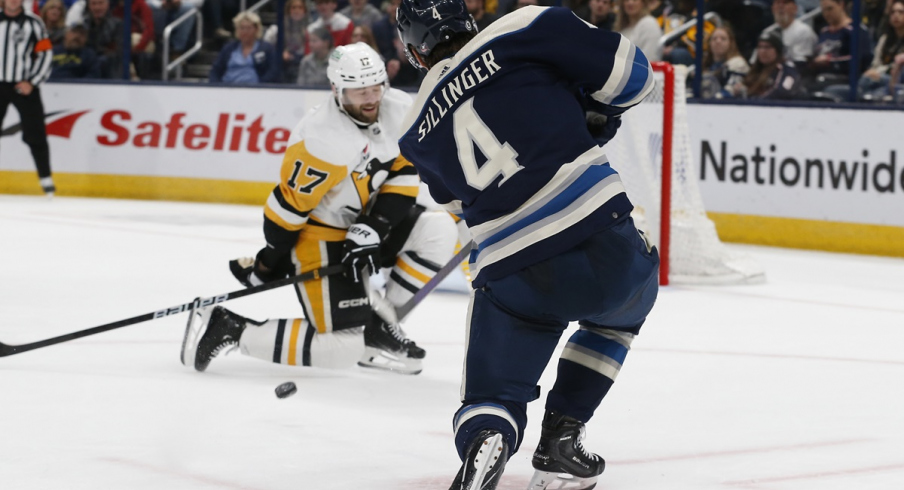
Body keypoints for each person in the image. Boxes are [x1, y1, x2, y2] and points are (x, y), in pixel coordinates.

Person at [396, 2, 660, 489]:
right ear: (469, 19)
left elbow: (457, 204)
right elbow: (636, 79)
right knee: (621, 310)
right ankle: (563, 435)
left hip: (512, 265)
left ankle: (488, 433)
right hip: (604, 239)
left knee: (491, 394)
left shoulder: (414, 131)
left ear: (415, 52)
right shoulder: (525, 25)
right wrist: (591, 111)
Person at [182, 43, 458, 377]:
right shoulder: (321, 139)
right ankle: (231, 328)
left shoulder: (399, 108)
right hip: (320, 236)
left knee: (440, 229)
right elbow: (285, 212)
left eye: (375, 88)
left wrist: (374, 226)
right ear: (337, 90)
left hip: (363, 224)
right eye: (359, 92)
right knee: (342, 346)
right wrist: (269, 263)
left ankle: (379, 326)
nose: (371, 99)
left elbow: (404, 170)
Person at [0, 0, 55, 195]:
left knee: (36, 133)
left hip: (23, 86)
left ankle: (46, 179)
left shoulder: (34, 23)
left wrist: (32, 82)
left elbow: (46, 53)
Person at [209, 11, 280, 84]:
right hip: (228, 88)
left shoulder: (266, 49)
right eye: (242, 28)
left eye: (249, 28)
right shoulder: (229, 48)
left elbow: (273, 71)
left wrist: (260, 86)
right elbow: (216, 70)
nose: (245, 31)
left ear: (256, 29)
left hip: (255, 89)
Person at [859, 0, 904, 100]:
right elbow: (876, 62)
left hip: (896, 79)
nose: (896, 15)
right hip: (881, 77)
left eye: (901, 12)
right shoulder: (885, 39)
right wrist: (875, 71)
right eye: (893, 12)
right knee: (870, 89)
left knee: (866, 81)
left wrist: (879, 73)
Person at [743, 30, 806, 100]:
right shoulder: (755, 70)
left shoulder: (787, 70)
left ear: (777, 50)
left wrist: (757, 101)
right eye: (760, 47)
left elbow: (783, 91)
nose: (763, 51)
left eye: (767, 47)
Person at [263, 0, 310, 82]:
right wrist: (279, 53)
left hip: (303, 63)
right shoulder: (276, 29)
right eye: (293, 7)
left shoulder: (311, 29)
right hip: (282, 65)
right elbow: (266, 48)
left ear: (304, 10)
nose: (297, 10)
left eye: (300, 7)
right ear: (288, 10)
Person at [701, 25, 750, 99]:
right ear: (709, 43)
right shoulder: (705, 65)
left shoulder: (738, 64)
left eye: (723, 39)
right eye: (714, 39)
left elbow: (731, 91)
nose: (718, 41)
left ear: (731, 43)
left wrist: (711, 100)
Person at [771, 0, 818, 67]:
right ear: (772, 9)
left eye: (785, 3)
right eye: (777, 3)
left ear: (795, 8)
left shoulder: (803, 31)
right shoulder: (768, 32)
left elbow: (801, 64)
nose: (780, 6)